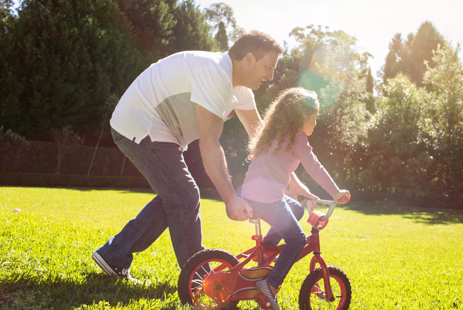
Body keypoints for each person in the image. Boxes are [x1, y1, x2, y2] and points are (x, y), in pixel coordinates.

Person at [91, 31, 317, 282]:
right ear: (249, 59)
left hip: (163, 131)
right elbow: (209, 143)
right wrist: (231, 198)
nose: (271, 76)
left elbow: (265, 144)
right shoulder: (215, 73)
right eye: (268, 67)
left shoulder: (240, 89)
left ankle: (114, 254)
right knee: (185, 196)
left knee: (177, 196)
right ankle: (199, 281)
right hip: (142, 121)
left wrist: (292, 182)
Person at [241, 87, 350, 310]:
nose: (316, 122)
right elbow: (314, 166)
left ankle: (267, 250)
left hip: (253, 195)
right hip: (268, 199)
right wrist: (335, 192)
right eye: (315, 117)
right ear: (301, 117)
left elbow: (284, 170)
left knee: (297, 209)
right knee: (298, 240)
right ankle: (269, 286)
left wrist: (300, 190)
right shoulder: (297, 138)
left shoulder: (277, 134)